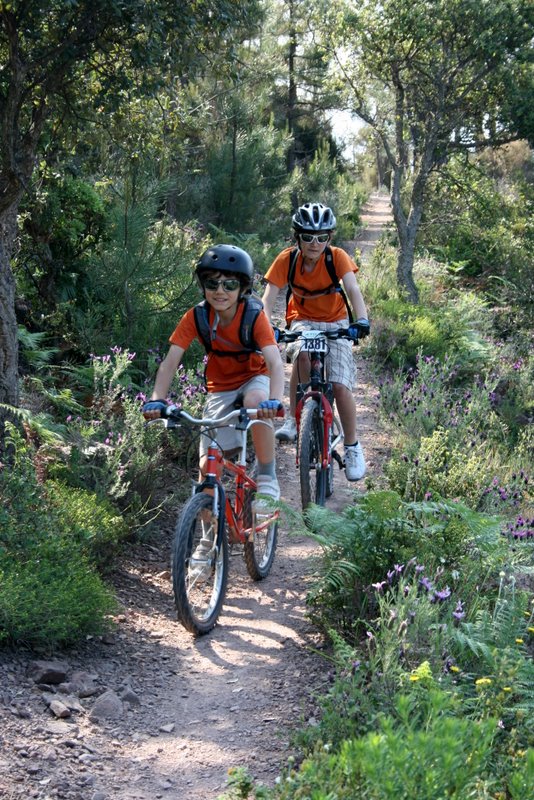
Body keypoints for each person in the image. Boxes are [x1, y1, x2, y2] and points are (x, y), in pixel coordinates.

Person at [142, 244, 285, 509]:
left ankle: (267, 474)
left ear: (243, 289)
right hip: (220, 387)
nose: (220, 291)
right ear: (203, 285)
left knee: (256, 401)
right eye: (212, 284)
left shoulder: (254, 316)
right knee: (207, 468)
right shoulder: (197, 317)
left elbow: (275, 364)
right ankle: (207, 540)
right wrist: (157, 400)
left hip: (255, 375)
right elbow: (170, 362)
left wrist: (274, 401)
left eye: (229, 285)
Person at [261, 202, 370, 481]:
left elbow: (353, 290)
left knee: (339, 385)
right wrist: (263, 328)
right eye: (308, 237)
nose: (315, 243)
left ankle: (352, 446)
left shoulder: (337, 257)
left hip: (336, 322)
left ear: (329, 238)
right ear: (297, 237)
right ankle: (295, 421)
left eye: (322, 237)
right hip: (302, 319)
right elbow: (269, 296)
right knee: (302, 356)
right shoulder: (287, 259)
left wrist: (361, 321)